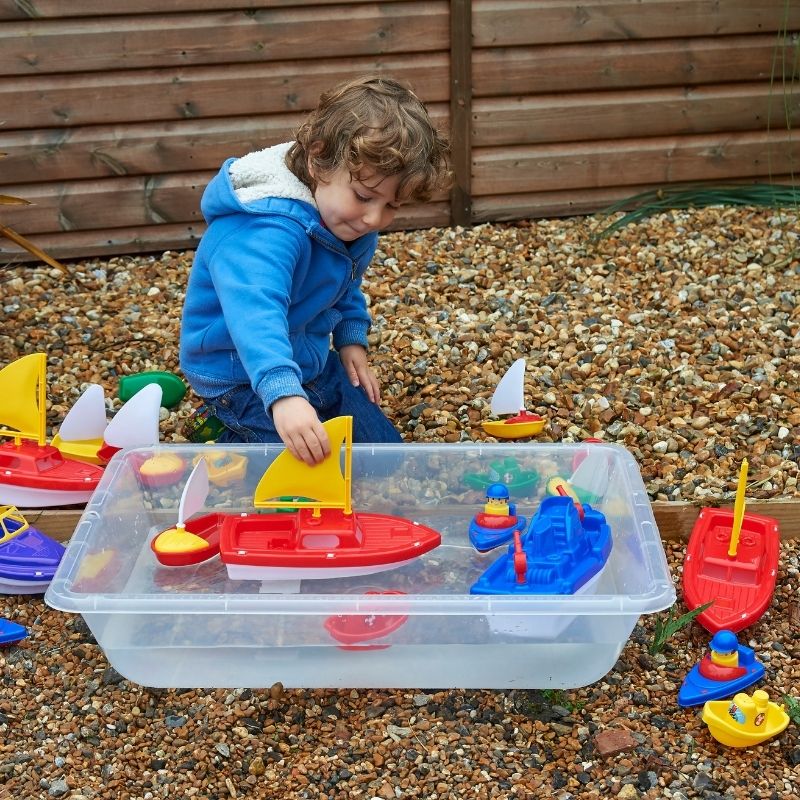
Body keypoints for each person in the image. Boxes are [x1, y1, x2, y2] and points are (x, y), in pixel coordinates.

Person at [179, 76, 450, 464]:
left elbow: (345, 282)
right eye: (364, 197)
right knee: (305, 480)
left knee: (384, 460)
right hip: (238, 372)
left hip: (308, 358)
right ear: (317, 158)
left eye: (393, 206)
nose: (375, 218)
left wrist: (351, 337)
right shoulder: (265, 230)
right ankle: (222, 421)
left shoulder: (347, 218)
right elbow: (256, 317)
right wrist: (284, 396)